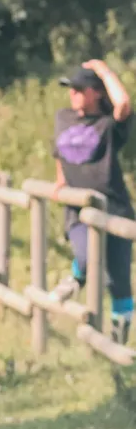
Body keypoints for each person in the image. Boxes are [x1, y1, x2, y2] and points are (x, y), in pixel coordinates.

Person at [50, 60, 134, 344]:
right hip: (80, 209)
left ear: (96, 92)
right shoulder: (63, 117)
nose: (72, 94)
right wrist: (60, 180)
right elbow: (58, 151)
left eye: (78, 89)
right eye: (70, 89)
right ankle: (77, 276)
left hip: (116, 208)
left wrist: (104, 70)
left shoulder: (108, 124)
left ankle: (117, 346)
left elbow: (123, 104)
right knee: (87, 256)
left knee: (119, 281)